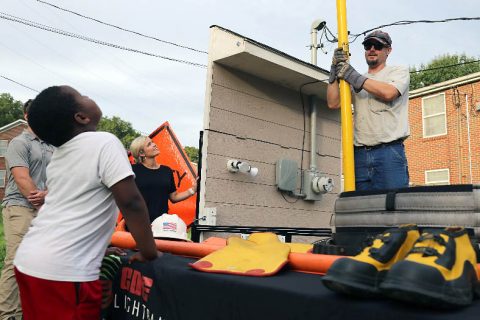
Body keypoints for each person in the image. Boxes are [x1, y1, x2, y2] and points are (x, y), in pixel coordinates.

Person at [12, 85, 159, 320]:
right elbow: (131, 201)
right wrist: (148, 250)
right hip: (65, 273)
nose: (88, 96)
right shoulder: (104, 142)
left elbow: (68, 213)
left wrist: (97, 247)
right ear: (81, 117)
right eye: (82, 96)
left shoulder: (59, 157)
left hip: (29, 262)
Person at [326, 30, 410, 191]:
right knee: (363, 207)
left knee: (393, 204)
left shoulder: (398, 71)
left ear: (388, 50)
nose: (372, 49)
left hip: (389, 152)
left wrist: (353, 76)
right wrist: (333, 72)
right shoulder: (354, 79)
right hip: (359, 155)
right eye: (367, 45)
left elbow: (389, 93)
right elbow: (333, 103)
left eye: (378, 46)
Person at [0, 99, 54, 320]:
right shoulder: (19, 143)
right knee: (16, 260)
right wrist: (40, 201)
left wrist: (48, 197)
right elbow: (23, 179)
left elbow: (60, 180)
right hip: (20, 207)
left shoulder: (53, 147)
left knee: (41, 261)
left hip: (46, 209)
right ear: (28, 115)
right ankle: (9, 314)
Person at [129, 136, 197, 223]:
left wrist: (193, 190)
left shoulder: (166, 171)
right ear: (142, 153)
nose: (154, 145)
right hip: (137, 223)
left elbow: (174, 197)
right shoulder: (132, 170)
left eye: (152, 142)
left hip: (160, 225)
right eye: (149, 144)